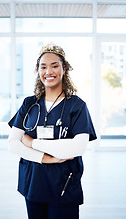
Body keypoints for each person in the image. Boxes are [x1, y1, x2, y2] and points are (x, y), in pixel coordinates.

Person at [8, 42, 97, 219]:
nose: (48, 72)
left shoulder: (77, 106)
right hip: (33, 184)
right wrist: (46, 158)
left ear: (64, 69)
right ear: (38, 71)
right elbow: (12, 144)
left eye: (54, 66)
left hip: (64, 185)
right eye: (43, 67)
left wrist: (32, 142)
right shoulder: (29, 103)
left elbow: (78, 147)